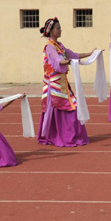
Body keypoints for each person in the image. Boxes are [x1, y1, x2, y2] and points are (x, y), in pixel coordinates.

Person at [38, 17, 94, 147]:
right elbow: (56, 61)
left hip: (63, 83)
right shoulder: (49, 47)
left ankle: (68, 135)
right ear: (51, 31)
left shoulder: (60, 46)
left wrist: (90, 54)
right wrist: (68, 62)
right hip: (54, 84)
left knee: (71, 107)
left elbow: (73, 54)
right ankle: (62, 136)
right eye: (58, 28)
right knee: (66, 108)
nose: (60, 30)